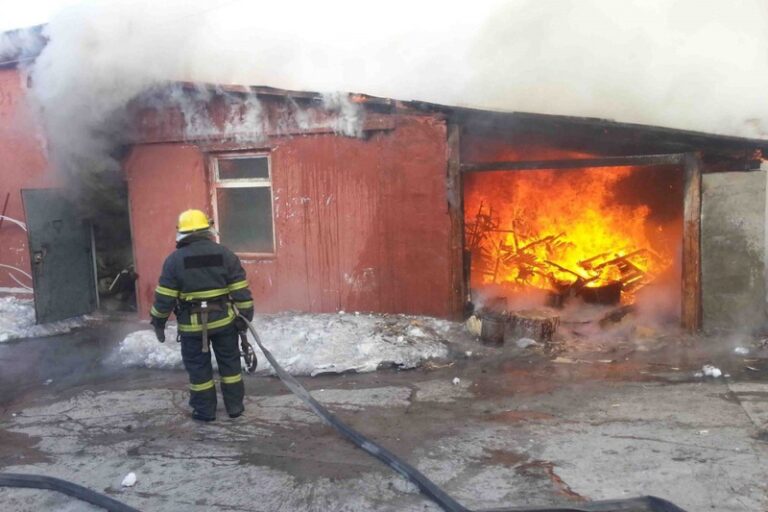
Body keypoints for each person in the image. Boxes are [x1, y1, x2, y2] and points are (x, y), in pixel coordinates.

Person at [149, 209, 254, 422]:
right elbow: (240, 291)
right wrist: (244, 317)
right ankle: (235, 407)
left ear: (182, 233)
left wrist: (158, 322)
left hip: (192, 328)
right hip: (224, 323)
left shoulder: (174, 260)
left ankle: (205, 412)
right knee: (230, 366)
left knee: (199, 371)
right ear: (208, 230)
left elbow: (164, 298)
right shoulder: (226, 255)